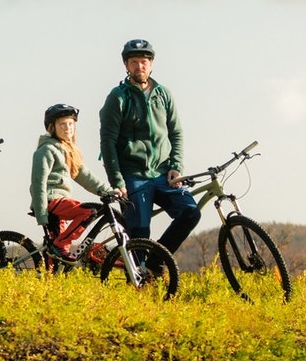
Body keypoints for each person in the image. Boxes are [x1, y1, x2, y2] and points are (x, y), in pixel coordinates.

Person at [99, 38, 202, 254]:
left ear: (152, 63)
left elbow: (176, 132)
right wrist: (117, 181)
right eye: (134, 62)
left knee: (191, 212)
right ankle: (138, 279)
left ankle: (157, 260)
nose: (140, 66)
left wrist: (176, 165)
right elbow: (107, 142)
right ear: (126, 65)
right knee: (139, 230)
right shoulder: (118, 98)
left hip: (164, 173)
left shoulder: (163, 94)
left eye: (144, 62)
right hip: (133, 174)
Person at [31, 103, 121, 261]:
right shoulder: (47, 150)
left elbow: (83, 174)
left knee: (58, 251)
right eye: (63, 124)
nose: (68, 128)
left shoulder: (69, 150)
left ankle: (50, 278)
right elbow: (38, 183)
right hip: (51, 200)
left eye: (71, 124)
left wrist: (107, 190)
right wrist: (41, 214)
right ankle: (59, 245)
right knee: (88, 211)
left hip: (60, 201)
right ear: (52, 127)